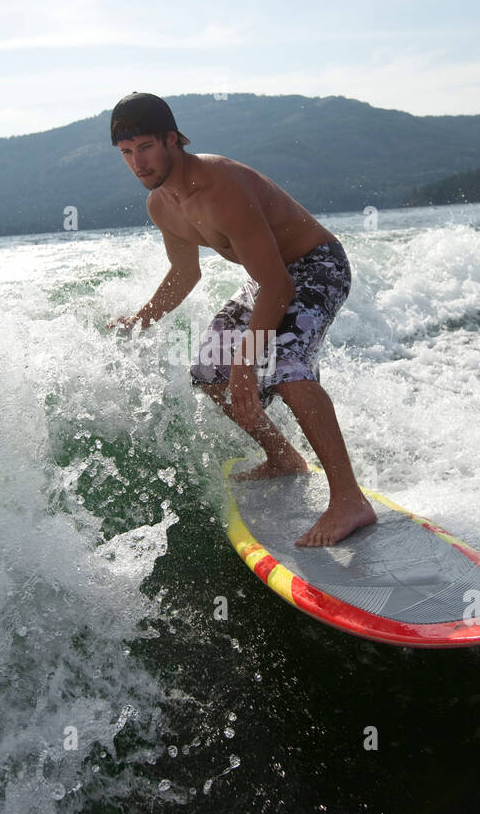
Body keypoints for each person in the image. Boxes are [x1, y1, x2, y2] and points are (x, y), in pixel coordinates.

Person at [106, 91, 376, 547]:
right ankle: (283, 456)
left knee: (286, 366)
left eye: (146, 147)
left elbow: (281, 288)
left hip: (316, 268)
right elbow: (184, 272)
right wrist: (142, 319)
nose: (138, 163)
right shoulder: (162, 204)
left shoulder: (221, 187)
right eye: (126, 153)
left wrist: (246, 364)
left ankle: (349, 499)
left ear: (173, 140)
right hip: (265, 278)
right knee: (209, 372)